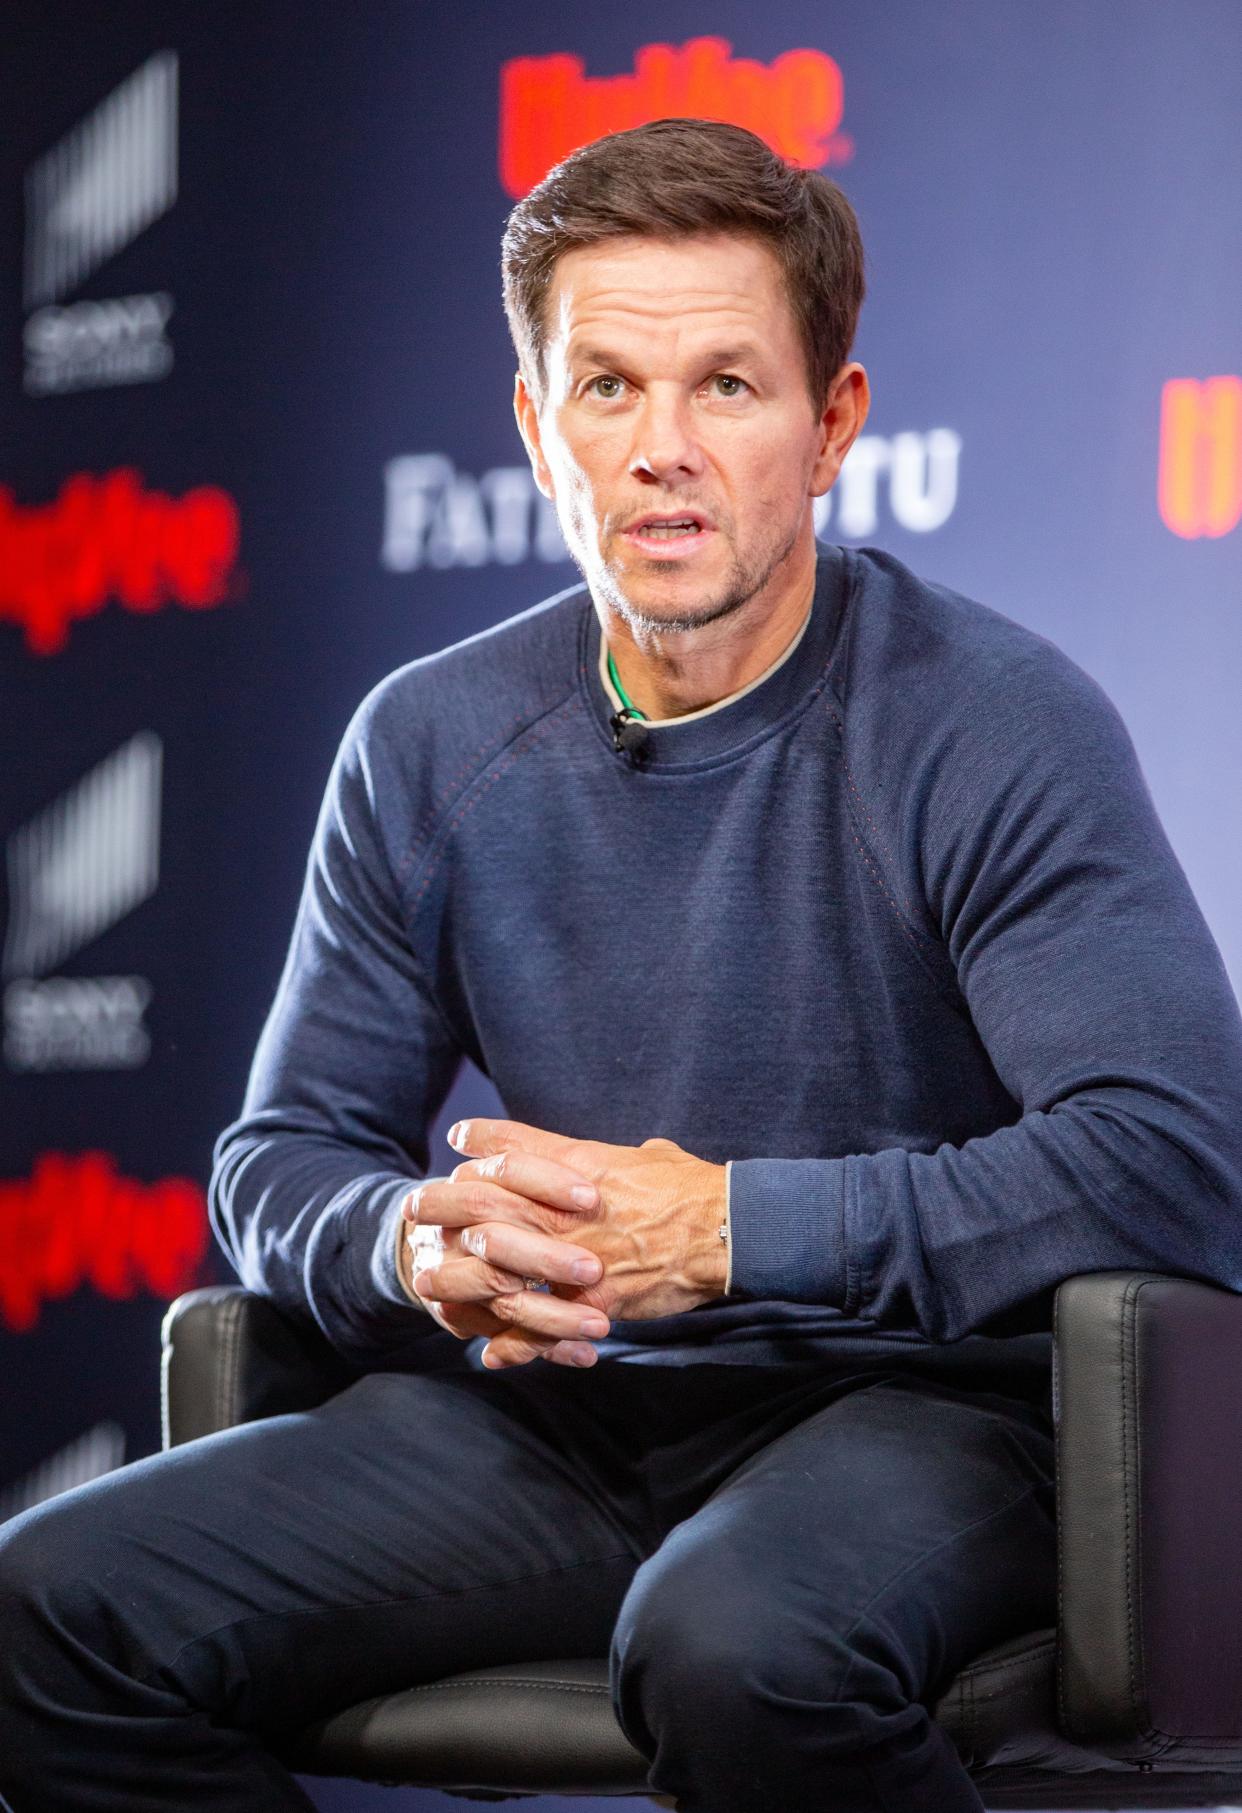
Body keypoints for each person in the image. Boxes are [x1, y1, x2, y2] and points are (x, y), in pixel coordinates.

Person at [2, 117, 1241, 1813]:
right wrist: (407, 1238)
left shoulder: (989, 721)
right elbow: (273, 1165)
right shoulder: (428, 742)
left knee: (733, 1643)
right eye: (606, 388)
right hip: (558, 1423)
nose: (662, 450)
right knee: (38, 1612)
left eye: (725, 385)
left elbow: (1169, 1160)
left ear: (830, 430)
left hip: (925, 1414)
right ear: (535, 428)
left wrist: (727, 1229)